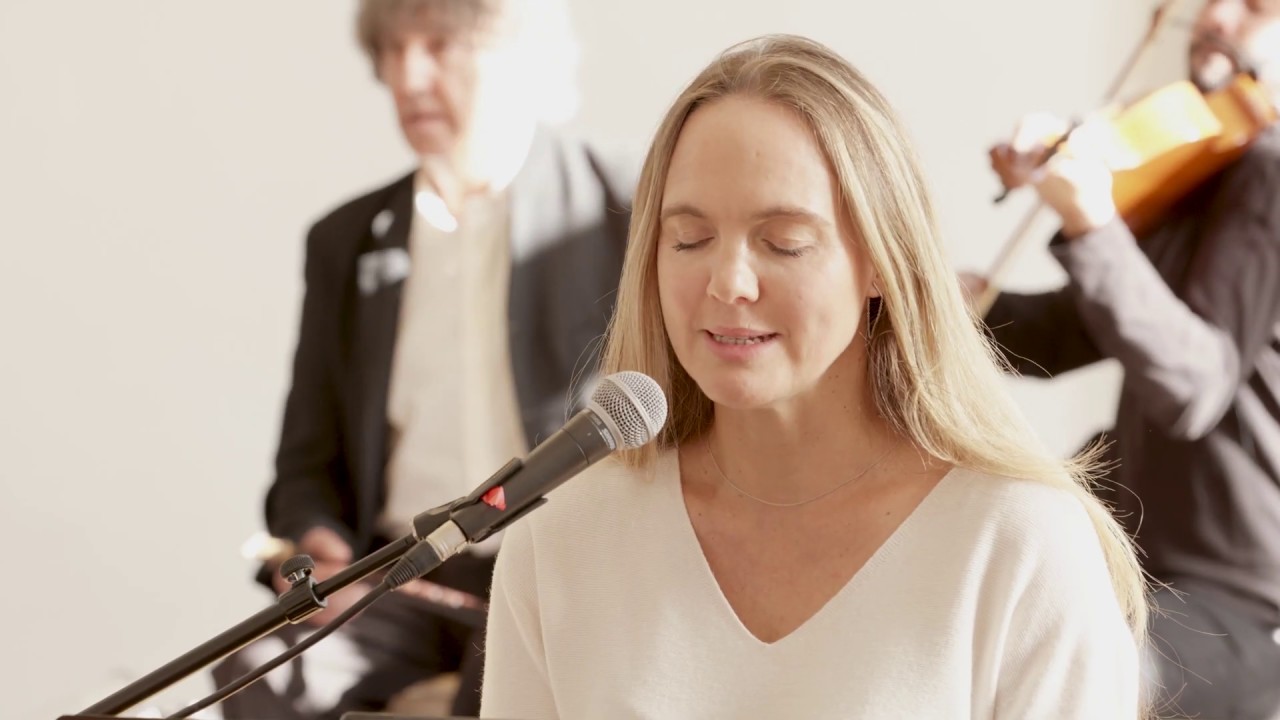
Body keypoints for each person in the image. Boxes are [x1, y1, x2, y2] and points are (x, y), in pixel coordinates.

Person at [480, 34, 1147, 719]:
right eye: (689, 239)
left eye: (784, 243)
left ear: (882, 261)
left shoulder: (1019, 544)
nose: (728, 282)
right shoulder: (562, 538)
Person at [210, 0, 635, 717]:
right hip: (398, 577)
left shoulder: (624, 205)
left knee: (499, 692)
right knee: (257, 676)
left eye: (440, 45)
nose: (407, 78)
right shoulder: (345, 241)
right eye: (392, 49)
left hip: (562, 580)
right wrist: (319, 549)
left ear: (519, 52)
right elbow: (307, 465)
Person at [963, 1, 1280, 716]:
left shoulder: (1270, 171)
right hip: (1128, 556)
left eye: (1256, 7)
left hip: (1231, 605)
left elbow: (1194, 386)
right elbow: (1061, 336)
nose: (1217, 16)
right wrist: (935, 301)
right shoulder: (1206, 171)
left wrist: (1092, 219)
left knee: (1078, 666)